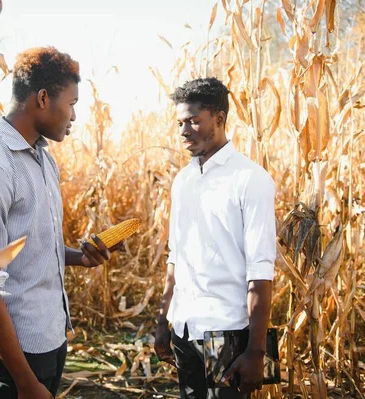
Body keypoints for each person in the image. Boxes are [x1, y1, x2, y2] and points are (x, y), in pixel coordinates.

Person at [0, 47, 116, 399]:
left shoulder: (42, 158)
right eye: (71, 103)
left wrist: (77, 256)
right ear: (43, 98)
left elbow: (29, 244)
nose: (74, 115)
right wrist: (25, 381)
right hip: (19, 353)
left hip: (50, 335)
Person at [154, 77, 276, 399]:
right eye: (181, 123)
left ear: (219, 119)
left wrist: (256, 352)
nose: (184, 131)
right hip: (184, 328)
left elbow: (261, 272)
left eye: (194, 121)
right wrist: (163, 321)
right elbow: (175, 257)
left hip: (226, 331)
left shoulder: (250, 179)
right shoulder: (183, 181)